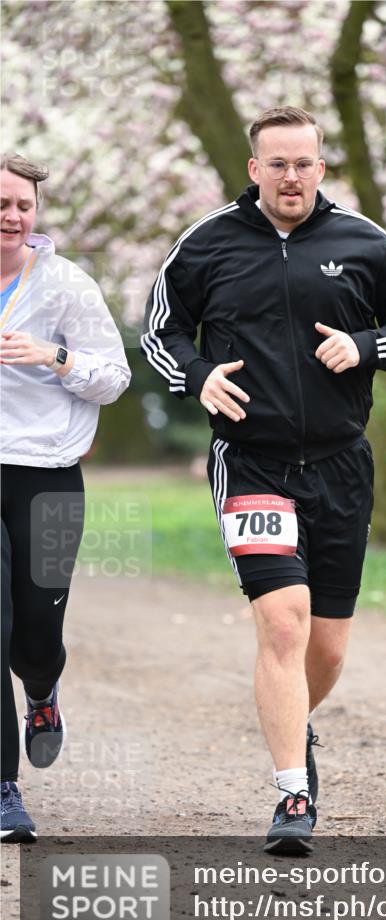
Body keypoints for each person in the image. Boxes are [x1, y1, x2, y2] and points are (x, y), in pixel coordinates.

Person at [141, 106, 386, 854]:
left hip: (341, 464)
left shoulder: (365, 244)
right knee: (281, 622)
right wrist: (198, 375)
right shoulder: (206, 245)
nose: (291, 177)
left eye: (303, 163)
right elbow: (161, 333)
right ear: (254, 170)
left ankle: (293, 713)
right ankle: (292, 794)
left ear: (321, 167)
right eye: (277, 164)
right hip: (251, 463)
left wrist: (365, 346)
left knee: (327, 649)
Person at [0, 153, 131, 842]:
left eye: (22, 204)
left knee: (34, 631)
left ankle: (42, 691)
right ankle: (3, 786)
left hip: (46, 474)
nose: (13, 216)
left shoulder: (65, 285)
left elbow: (113, 378)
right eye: (2, 205)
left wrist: (52, 357)